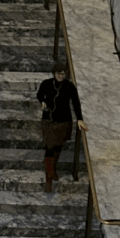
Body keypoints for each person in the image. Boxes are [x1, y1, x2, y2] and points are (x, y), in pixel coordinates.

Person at [36, 64, 87, 193]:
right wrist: (42, 101)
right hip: (49, 120)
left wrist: (79, 118)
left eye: (63, 74)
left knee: (58, 146)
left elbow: (76, 103)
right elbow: (40, 94)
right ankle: (48, 179)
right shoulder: (46, 84)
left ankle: (52, 169)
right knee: (49, 147)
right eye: (59, 73)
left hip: (64, 121)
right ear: (54, 73)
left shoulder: (69, 87)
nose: (61, 76)